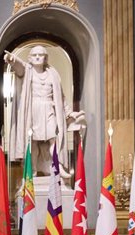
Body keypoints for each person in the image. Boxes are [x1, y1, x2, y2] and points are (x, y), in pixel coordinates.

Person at [5, 45, 84, 178]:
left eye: (40, 55)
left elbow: (61, 97)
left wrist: (69, 112)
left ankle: (57, 167)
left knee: (54, 138)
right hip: (32, 110)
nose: (37, 57)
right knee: (33, 141)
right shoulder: (27, 71)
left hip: (49, 109)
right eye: (34, 55)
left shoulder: (52, 73)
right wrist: (12, 60)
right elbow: (19, 66)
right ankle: (33, 169)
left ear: (45, 57)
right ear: (30, 58)